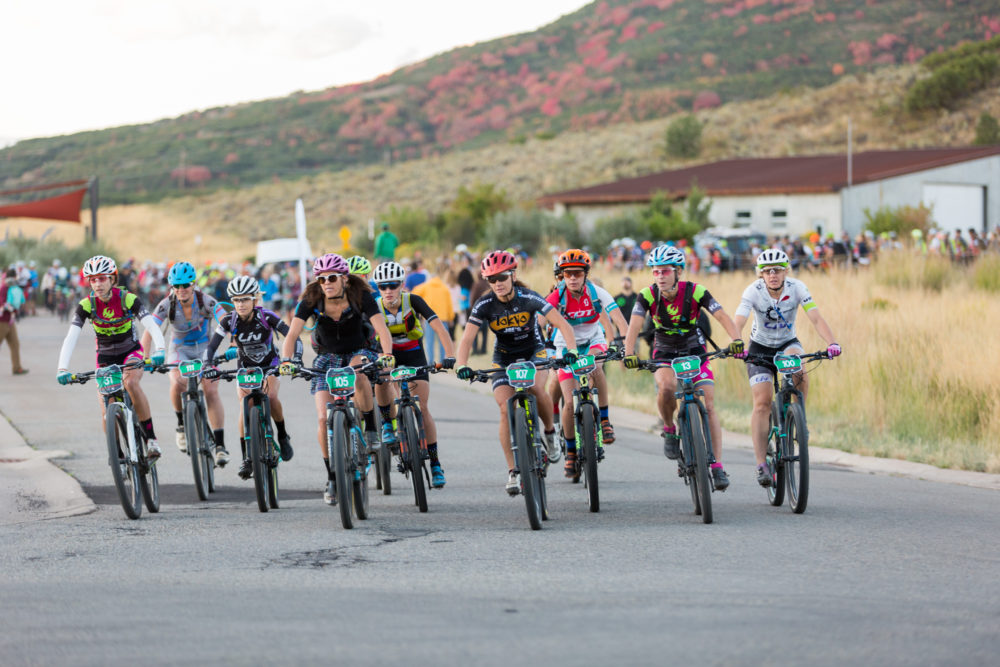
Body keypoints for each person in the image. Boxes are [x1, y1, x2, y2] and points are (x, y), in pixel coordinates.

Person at [455, 250, 579, 495]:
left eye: (502, 277)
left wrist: (572, 350)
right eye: (492, 280)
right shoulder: (484, 304)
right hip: (504, 357)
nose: (498, 284)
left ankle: (551, 433)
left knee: (535, 387)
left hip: (535, 351)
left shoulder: (528, 297)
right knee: (504, 409)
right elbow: (467, 339)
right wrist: (461, 365)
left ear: (512, 275)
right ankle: (513, 471)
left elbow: (562, 324)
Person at [622, 245, 744, 491]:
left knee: (708, 404)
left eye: (665, 272)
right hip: (664, 350)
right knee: (666, 387)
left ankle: (718, 465)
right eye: (655, 272)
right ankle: (669, 428)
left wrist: (736, 340)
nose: (660, 277)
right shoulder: (646, 295)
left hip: (695, 349)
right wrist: (628, 353)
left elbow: (721, 316)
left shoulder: (696, 291)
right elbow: (633, 327)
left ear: (678, 272)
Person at [278, 253, 394, 506]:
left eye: (332, 278)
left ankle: (372, 431)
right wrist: (286, 361)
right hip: (326, 358)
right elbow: (292, 334)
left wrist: (387, 354)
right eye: (321, 279)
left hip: (358, 351)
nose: (327, 283)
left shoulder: (360, 295)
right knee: (322, 417)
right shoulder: (311, 298)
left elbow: (381, 328)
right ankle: (332, 476)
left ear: (344, 278)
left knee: (360, 372)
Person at [732, 248, 841, 487]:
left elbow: (815, 318)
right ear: (760, 274)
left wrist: (831, 343)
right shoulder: (753, 291)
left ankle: (798, 418)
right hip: (759, 348)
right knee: (762, 402)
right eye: (767, 271)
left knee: (799, 368)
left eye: (778, 270)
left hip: (787, 344)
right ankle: (761, 464)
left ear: (785, 271)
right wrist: (736, 342)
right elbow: (738, 319)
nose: (773, 275)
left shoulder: (797, 288)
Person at [56, 255, 167, 460]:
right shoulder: (86, 305)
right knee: (106, 407)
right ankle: (117, 454)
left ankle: (151, 439)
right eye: (93, 279)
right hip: (105, 356)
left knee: (131, 383)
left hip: (131, 352)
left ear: (112, 279)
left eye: (102, 278)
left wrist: (160, 350)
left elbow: (150, 324)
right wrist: (62, 368)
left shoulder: (128, 299)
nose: (97, 284)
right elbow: (71, 337)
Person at [202, 276, 297, 480]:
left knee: (270, 397)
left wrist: (293, 359)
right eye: (236, 300)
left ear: (254, 299)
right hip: (245, 369)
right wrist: (208, 365)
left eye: (245, 299)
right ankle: (247, 457)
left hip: (269, 366)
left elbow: (291, 335)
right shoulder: (229, 320)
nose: (240, 304)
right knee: (246, 404)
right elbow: (211, 347)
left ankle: (281, 434)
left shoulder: (267, 316)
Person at [371, 261, 456, 488]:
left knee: (423, 407)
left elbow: (438, 326)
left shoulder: (413, 301)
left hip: (414, 355)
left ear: (402, 285)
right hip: (387, 356)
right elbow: (364, 333)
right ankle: (388, 423)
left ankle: (436, 463)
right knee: (380, 375)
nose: (388, 291)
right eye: (383, 286)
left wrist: (449, 354)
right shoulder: (374, 305)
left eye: (393, 285)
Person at [545, 250, 629, 479]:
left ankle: (604, 419)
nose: (572, 278)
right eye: (567, 273)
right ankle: (571, 452)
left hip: (593, 340)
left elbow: (621, 321)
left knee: (596, 366)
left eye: (577, 273)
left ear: (585, 274)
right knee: (570, 404)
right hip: (564, 345)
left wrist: (624, 348)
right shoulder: (557, 296)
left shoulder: (597, 293)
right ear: (561, 275)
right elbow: (539, 321)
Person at [141, 261, 229, 466]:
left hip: (205, 349)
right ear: (172, 286)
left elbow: (225, 320)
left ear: (194, 283)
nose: (181, 290)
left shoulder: (206, 301)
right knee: (177, 382)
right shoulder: (166, 304)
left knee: (210, 389)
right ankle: (181, 425)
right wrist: (145, 357)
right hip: (179, 349)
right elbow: (150, 329)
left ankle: (220, 445)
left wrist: (234, 342)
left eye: (186, 285)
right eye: (176, 286)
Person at [412, 268, 455, 365]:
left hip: (429, 318)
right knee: (443, 341)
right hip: (443, 318)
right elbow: (449, 304)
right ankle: (442, 362)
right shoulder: (444, 288)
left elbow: (413, 293)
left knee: (429, 341)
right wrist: (451, 317)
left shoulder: (426, 286)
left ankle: (430, 362)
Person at [1, 268, 28, 376]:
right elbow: (2, 303)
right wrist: (13, 309)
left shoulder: (13, 288)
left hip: (10, 321)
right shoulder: (3, 288)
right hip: (2, 321)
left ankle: (17, 368)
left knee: (15, 344)